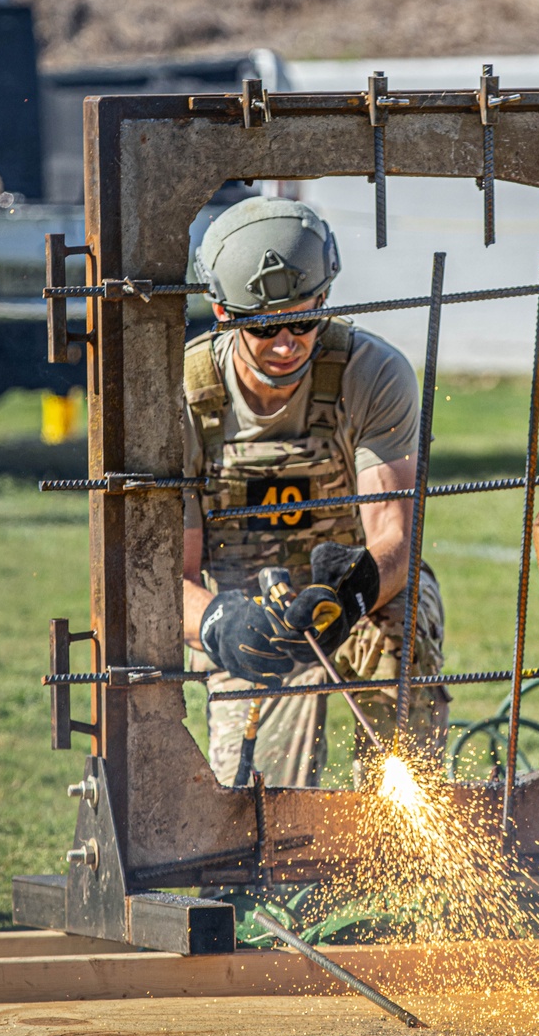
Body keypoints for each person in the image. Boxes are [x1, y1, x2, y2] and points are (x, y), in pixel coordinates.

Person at [182, 195, 448, 788]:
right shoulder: (185, 397)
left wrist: (351, 594)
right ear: (224, 314)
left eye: (303, 320)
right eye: (266, 326)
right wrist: (225, 623)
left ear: (323, 300)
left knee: (398, 640)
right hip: (248, 619)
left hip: (357, 601)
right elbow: (165, 579)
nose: (287, 343)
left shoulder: (371, 374)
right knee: (259, 814)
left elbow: (395, 538)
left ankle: (403, 835)